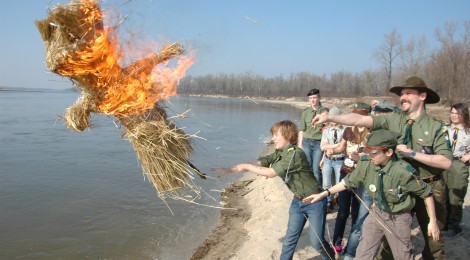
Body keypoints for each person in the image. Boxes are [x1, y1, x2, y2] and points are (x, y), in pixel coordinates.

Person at [311, 76, 452, 259]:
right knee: (389, 238)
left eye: (408, 93)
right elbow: (359, 120)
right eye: (402, 94)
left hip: (428, 186)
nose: (403, 97)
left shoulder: (435, 127)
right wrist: (330, 116)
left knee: (433, 241)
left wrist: (413, 154)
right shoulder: (394, 119)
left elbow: (446, 162)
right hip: (396, 187)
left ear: (423, 96)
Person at [303, 129, 440, 259]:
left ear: (389, 152)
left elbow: (426, 193)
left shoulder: (403, 172)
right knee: (363, 252)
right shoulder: (367, 163)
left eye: (374, 153)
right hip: (377, 212)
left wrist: (432, 221)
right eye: (368, 151)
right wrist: (324, 194)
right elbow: (347, 182)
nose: (370, 156)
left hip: (399, 217)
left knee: (402, 254)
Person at [212, 120, 334, 260]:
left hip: (315, 201)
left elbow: (270, 172)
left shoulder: (295, 154)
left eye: (276, 135)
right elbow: (264, 161)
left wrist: (245, 166)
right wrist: (233, 168)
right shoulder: (280, 152)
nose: (273, 138)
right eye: (273, 135)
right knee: (289, 240)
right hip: (298, 201)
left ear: (288, 136)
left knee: (317, 243)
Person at [327, 102, 372, 257]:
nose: (356, 117)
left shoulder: (371, 132)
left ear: (366, 115)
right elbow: (341, 148)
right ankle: (337, 243)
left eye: (360, 114)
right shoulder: (348, 130)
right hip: (346, 173)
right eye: (355, 113)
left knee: (356, 212)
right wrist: (332, 151)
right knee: (342, 211)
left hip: (362, 178)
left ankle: (353, 245)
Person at [443, 103, 470, 239]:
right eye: (452, 112)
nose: (454, 115)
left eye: (457, 113)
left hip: (459, 164)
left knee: (456, 197)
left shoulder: (468, 131)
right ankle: (446, 224)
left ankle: (454, 227)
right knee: (444, 195)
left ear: (463, 114)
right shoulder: (445, 129)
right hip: (445, 163)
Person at [320, 107, 345, 210]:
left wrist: (331, 147)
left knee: (340, 184)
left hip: (339, 160)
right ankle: (327, 203)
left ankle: (338, 202)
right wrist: (334, 147)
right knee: (326, 184)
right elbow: (323, 147)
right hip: (328, 160)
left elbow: (343, 147)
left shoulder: (344, 131)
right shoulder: (326, 131)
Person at [298, 88, 325, 183]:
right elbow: (302, 129)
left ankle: (318, 192)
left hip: (318, 143)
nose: (312, 100)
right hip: (306, 142)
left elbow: (327, 129)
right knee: (307, 166)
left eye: (314, 97)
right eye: (310, 98)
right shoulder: (306, 112)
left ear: (319, 98)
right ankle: (309, 189)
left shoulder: (324, 112)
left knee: (316, 169)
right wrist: (299, 145)